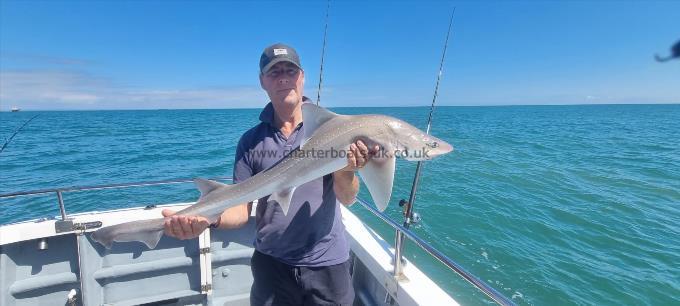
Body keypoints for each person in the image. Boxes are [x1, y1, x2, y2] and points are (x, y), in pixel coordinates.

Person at [161, 43, 378, 306]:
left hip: (327, 263)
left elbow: (347, 198)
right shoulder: (250, 141)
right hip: (271, 265)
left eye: (291, 70)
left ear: (302, 77)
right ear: (262, 81)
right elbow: (241, 210)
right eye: (274, 72)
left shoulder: (331, 131)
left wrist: (348, 170)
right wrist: (209, 219)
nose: (284, 77)